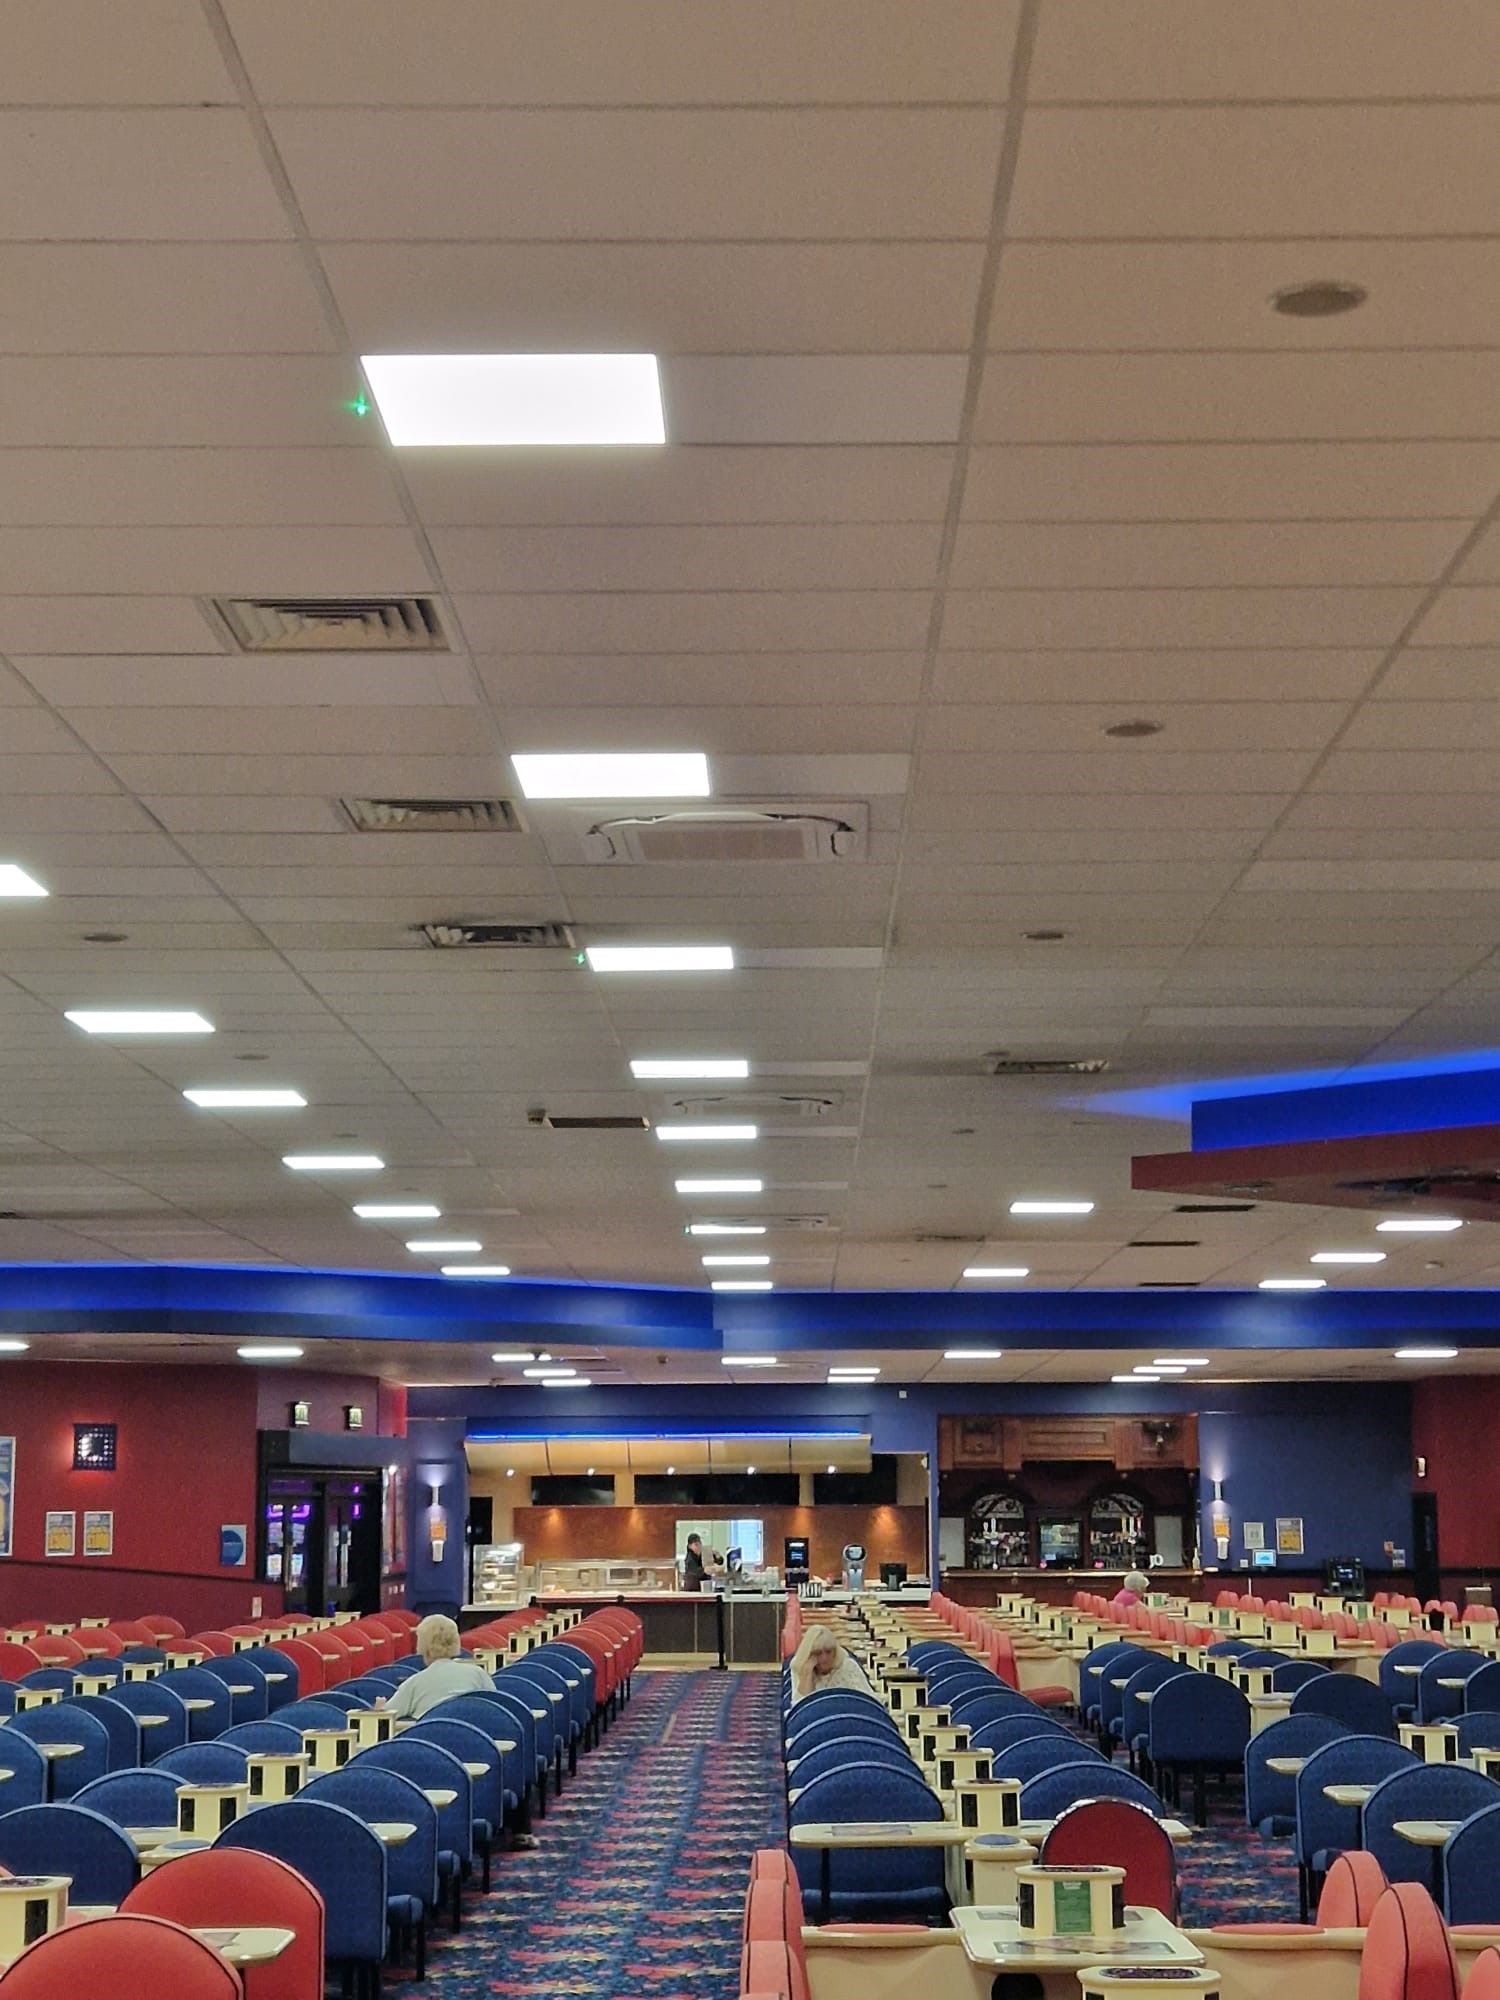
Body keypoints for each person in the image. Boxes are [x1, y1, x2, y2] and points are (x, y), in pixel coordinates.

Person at [380, 1613, 494, 1719]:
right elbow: (496, 1708)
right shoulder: (478, 1674)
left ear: (422, 1646)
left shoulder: (414, 1683)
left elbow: (384, 1715)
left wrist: (379, 1707)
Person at [790, 1623, 874, 1705]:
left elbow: (869, 1700)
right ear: (809, 1655)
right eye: (818, 1653)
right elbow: (798, 1707)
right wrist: (807, 1675)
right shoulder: (799, 1667)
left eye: (828, 1652)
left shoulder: (848, 1665)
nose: (824, 1658)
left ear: (835, 1651)